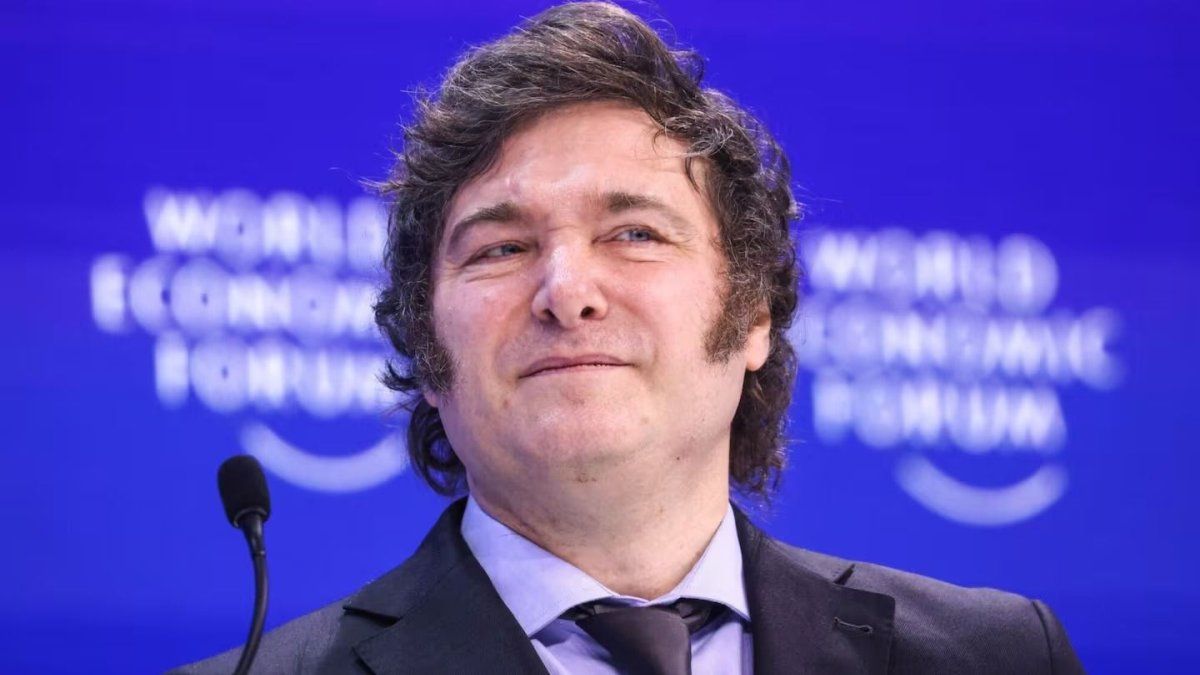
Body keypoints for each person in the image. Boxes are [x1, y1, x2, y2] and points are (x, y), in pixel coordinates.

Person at [175, 3, 1083, 673]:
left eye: (635, 233)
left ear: (754, 313)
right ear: (427, 347)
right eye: (501, 248)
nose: (567, 292)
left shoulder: (997, 656)